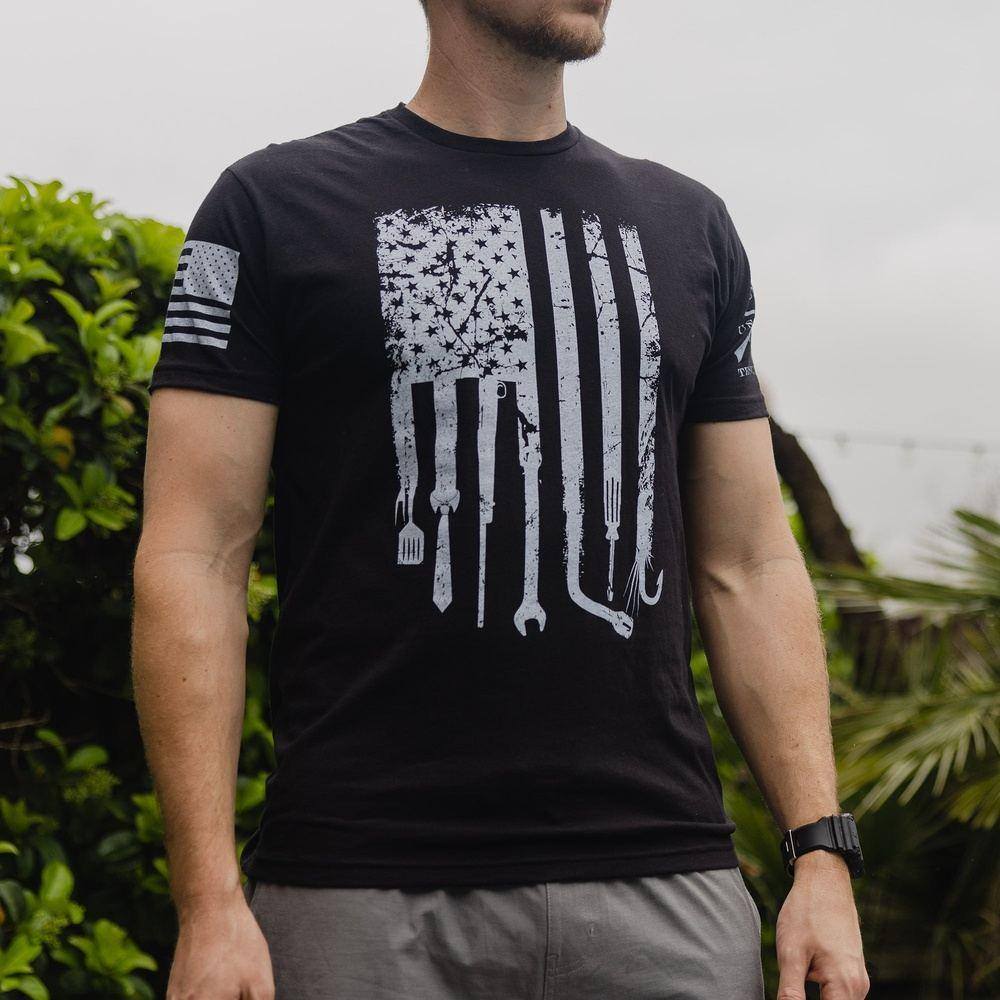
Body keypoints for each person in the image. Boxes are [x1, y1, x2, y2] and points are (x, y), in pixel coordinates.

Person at [131, 1, 870, 997]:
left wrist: (820, 855)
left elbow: (751, 563)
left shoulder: (688, 225)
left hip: (665, 891)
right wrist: (208, 900)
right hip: (359, 895)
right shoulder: (271, 207)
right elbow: (195, 557)